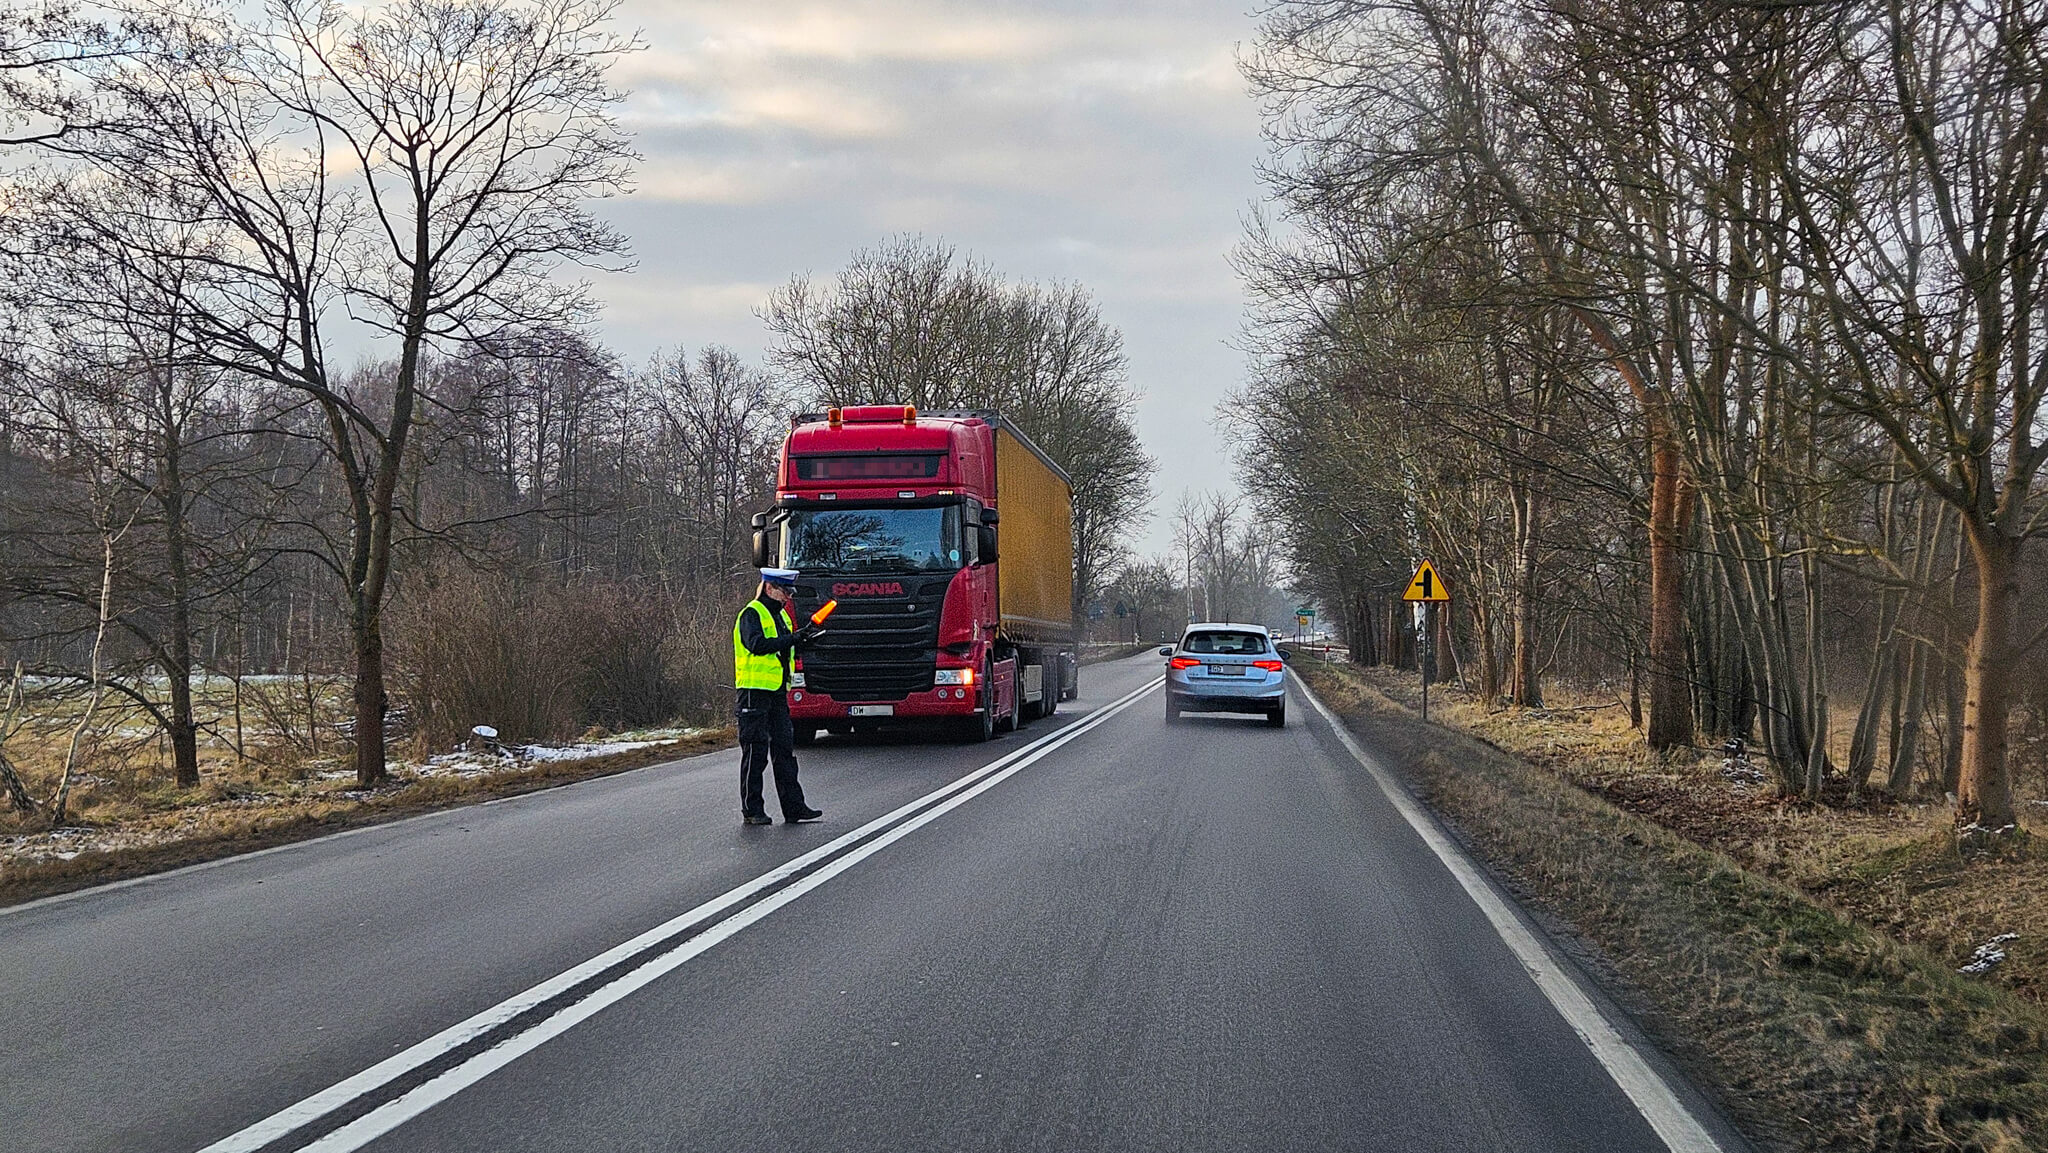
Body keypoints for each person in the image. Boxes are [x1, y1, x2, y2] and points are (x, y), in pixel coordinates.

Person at [733, 567, 826, 826]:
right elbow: (757, 645)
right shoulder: (751, 614)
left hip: (776, 692)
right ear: (770, 588)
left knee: (785, 750)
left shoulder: (781, 616)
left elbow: (785, 647)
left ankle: (794, 807)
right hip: (753, 693)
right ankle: (752, 810)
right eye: (785, 592)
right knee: (755, 752)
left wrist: (804, 639)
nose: (788, 597)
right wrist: (792, 639)